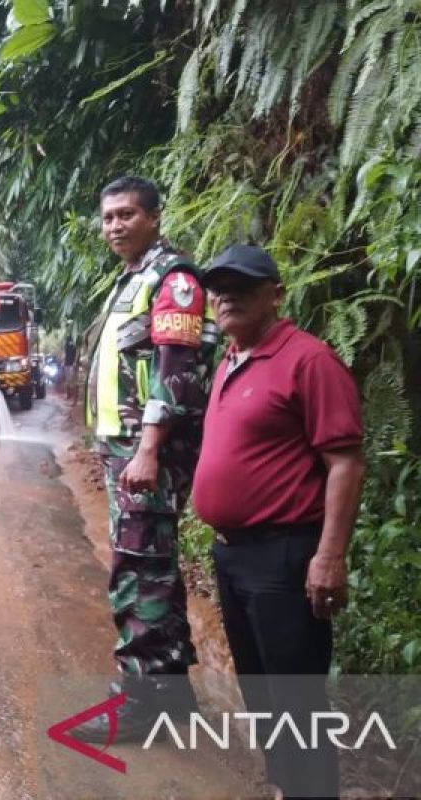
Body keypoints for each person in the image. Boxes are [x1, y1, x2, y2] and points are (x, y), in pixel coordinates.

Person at [193, 245, 364, 800]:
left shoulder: (308, 360)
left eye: (241, 285)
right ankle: (286, 788)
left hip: (284, 556)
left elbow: (345, 462)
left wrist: (329, 555)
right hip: (232, 554)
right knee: (261, 692)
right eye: (217, 287)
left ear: (275, 294)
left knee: (296, 699)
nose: (226, 296)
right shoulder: (229, 361)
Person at [75, 176, 218, 742]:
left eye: (126, 215)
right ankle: (173, 697)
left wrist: (150, 449)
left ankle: (138, 705)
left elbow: (177, 371)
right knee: (152, 567)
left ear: (154, 218)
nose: (114, 226)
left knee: (137, 573)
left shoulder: (174, 280)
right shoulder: (134, 279)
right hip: (126, 451)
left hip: (146, 454)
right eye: (108, 217)